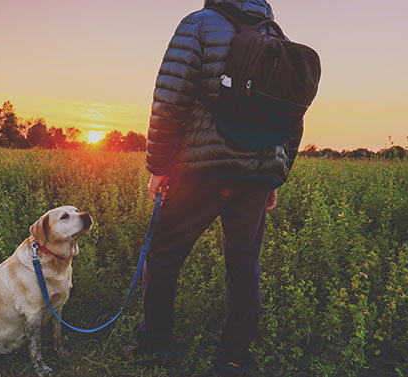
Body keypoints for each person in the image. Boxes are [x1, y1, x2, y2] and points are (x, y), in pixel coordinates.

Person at [122, 0, 303, 375]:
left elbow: (170, 98)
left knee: (163, 254)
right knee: (243, 264)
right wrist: (276, 175)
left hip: (202, 170)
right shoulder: (274, 34)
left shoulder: (199, 24)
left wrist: (158, 165)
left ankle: (155, 345)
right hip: (256, 172)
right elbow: (290, 115)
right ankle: (235, 358)